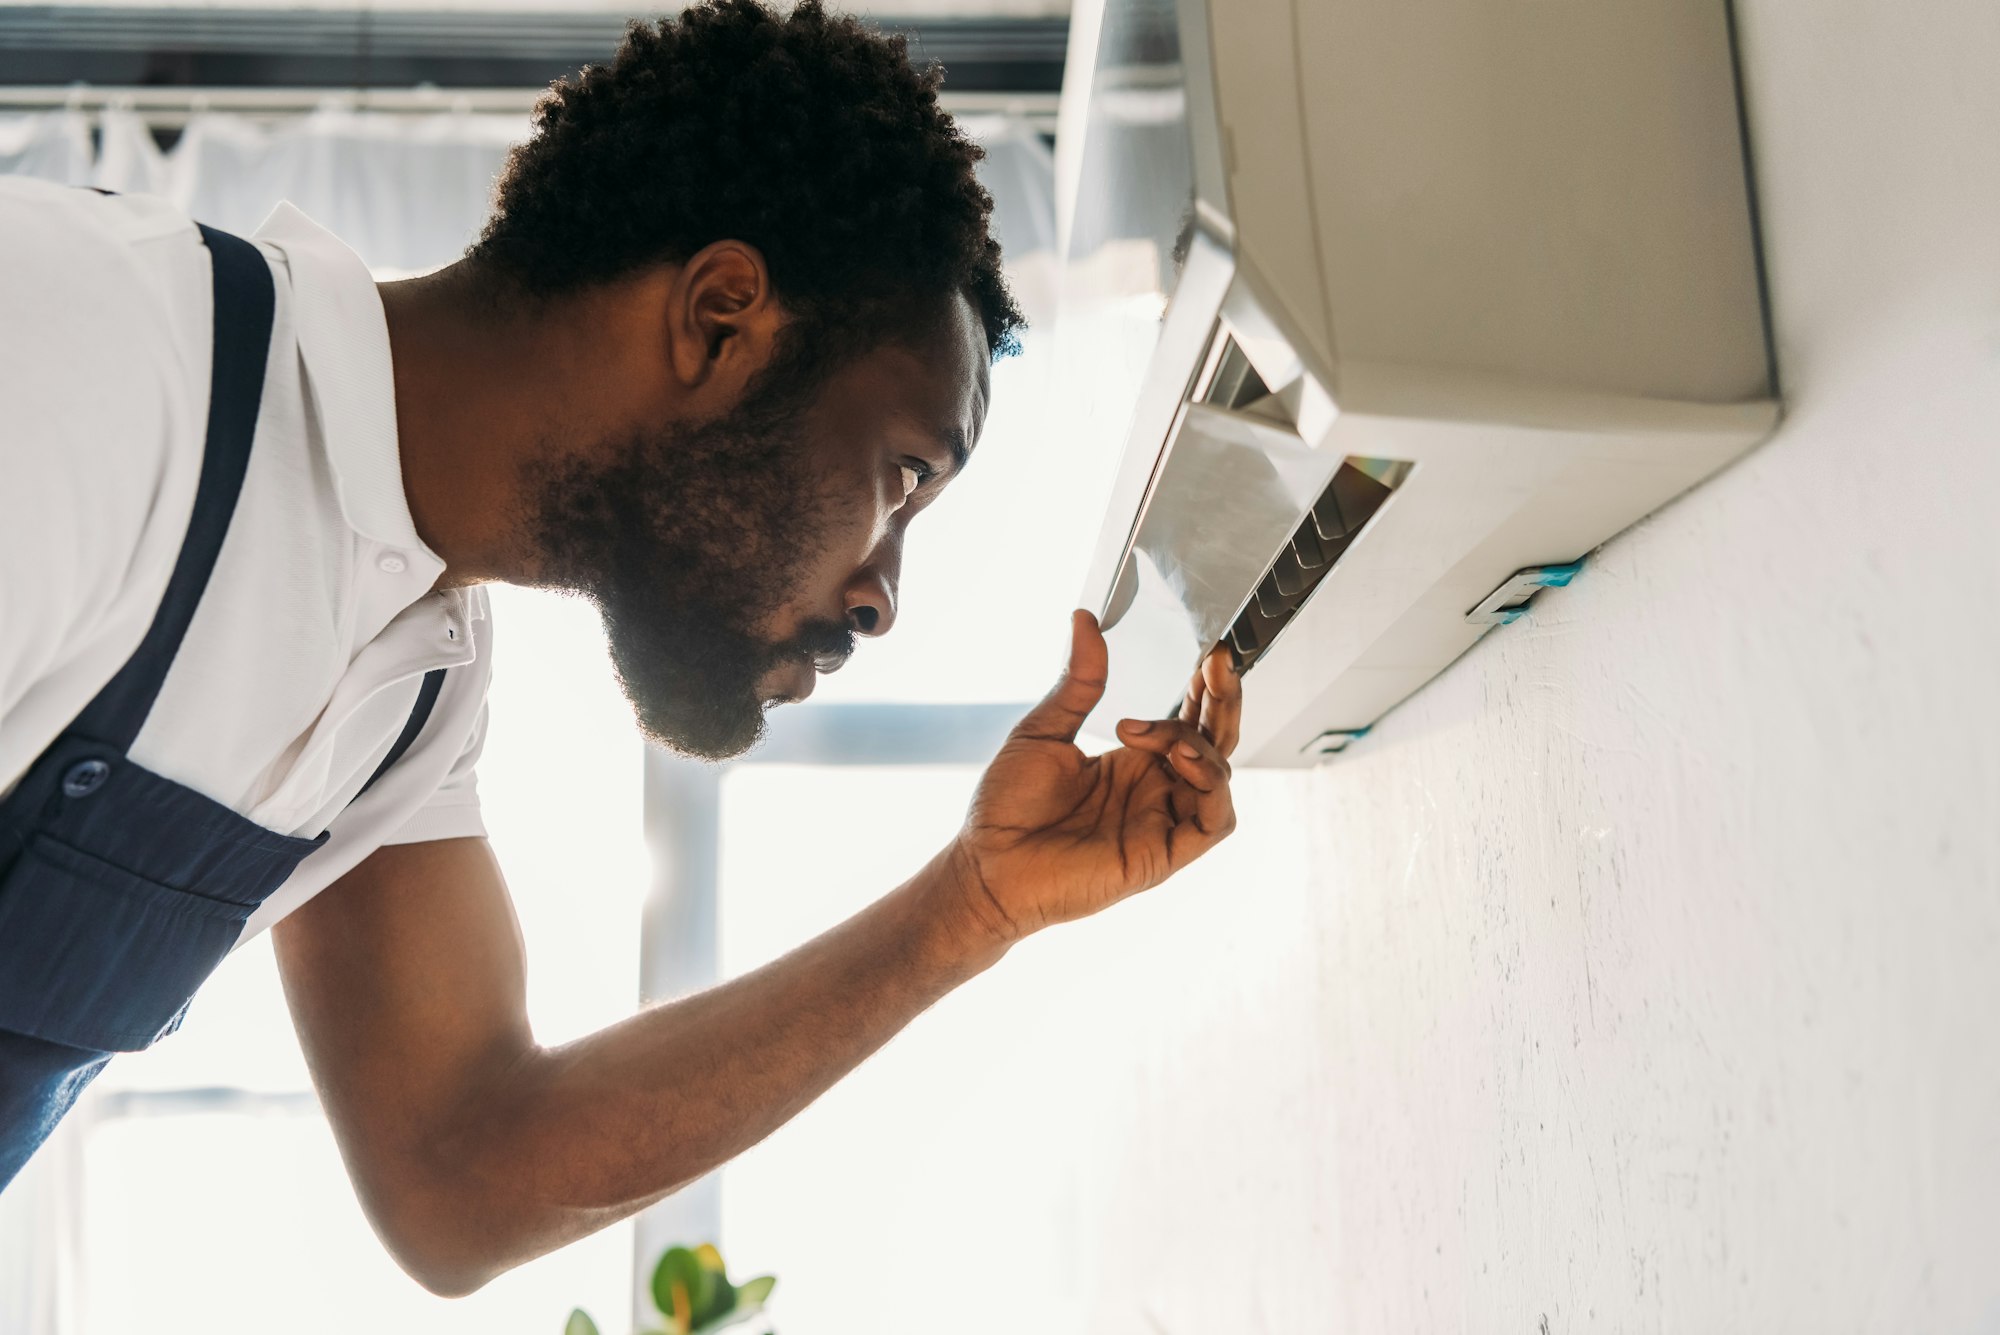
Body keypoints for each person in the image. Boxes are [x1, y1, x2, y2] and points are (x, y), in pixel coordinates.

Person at [0, 0, 1241, 1293]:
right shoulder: (106, 358)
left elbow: (462, 1173)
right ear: (719, 318)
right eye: (902, 477)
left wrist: (969, 909)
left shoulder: (414, 691)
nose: (883, 600)